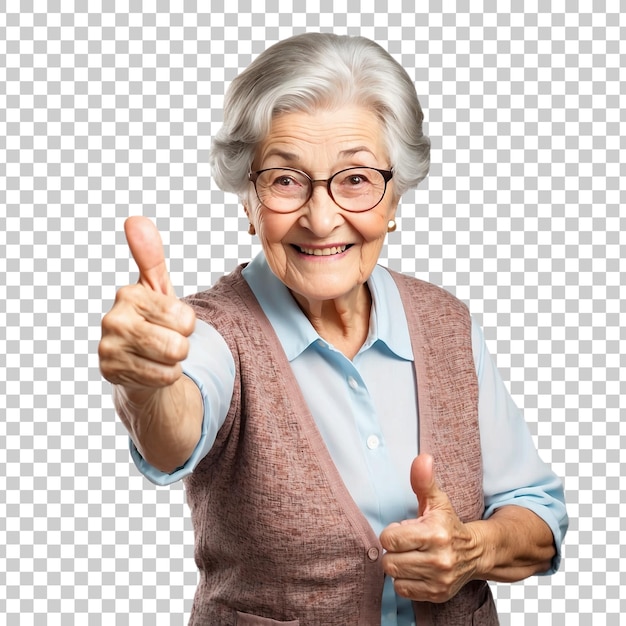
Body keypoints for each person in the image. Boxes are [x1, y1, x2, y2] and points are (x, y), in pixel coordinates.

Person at [99, 32, 568, 626]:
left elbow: (535, 513)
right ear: (248, 199)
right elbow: (174, 433)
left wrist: (474, 550)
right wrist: (147, 383)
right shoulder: (213, 331)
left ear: (394, 196)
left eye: (355, 179)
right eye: (286, 180)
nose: (321, 220)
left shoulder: (447, 322)